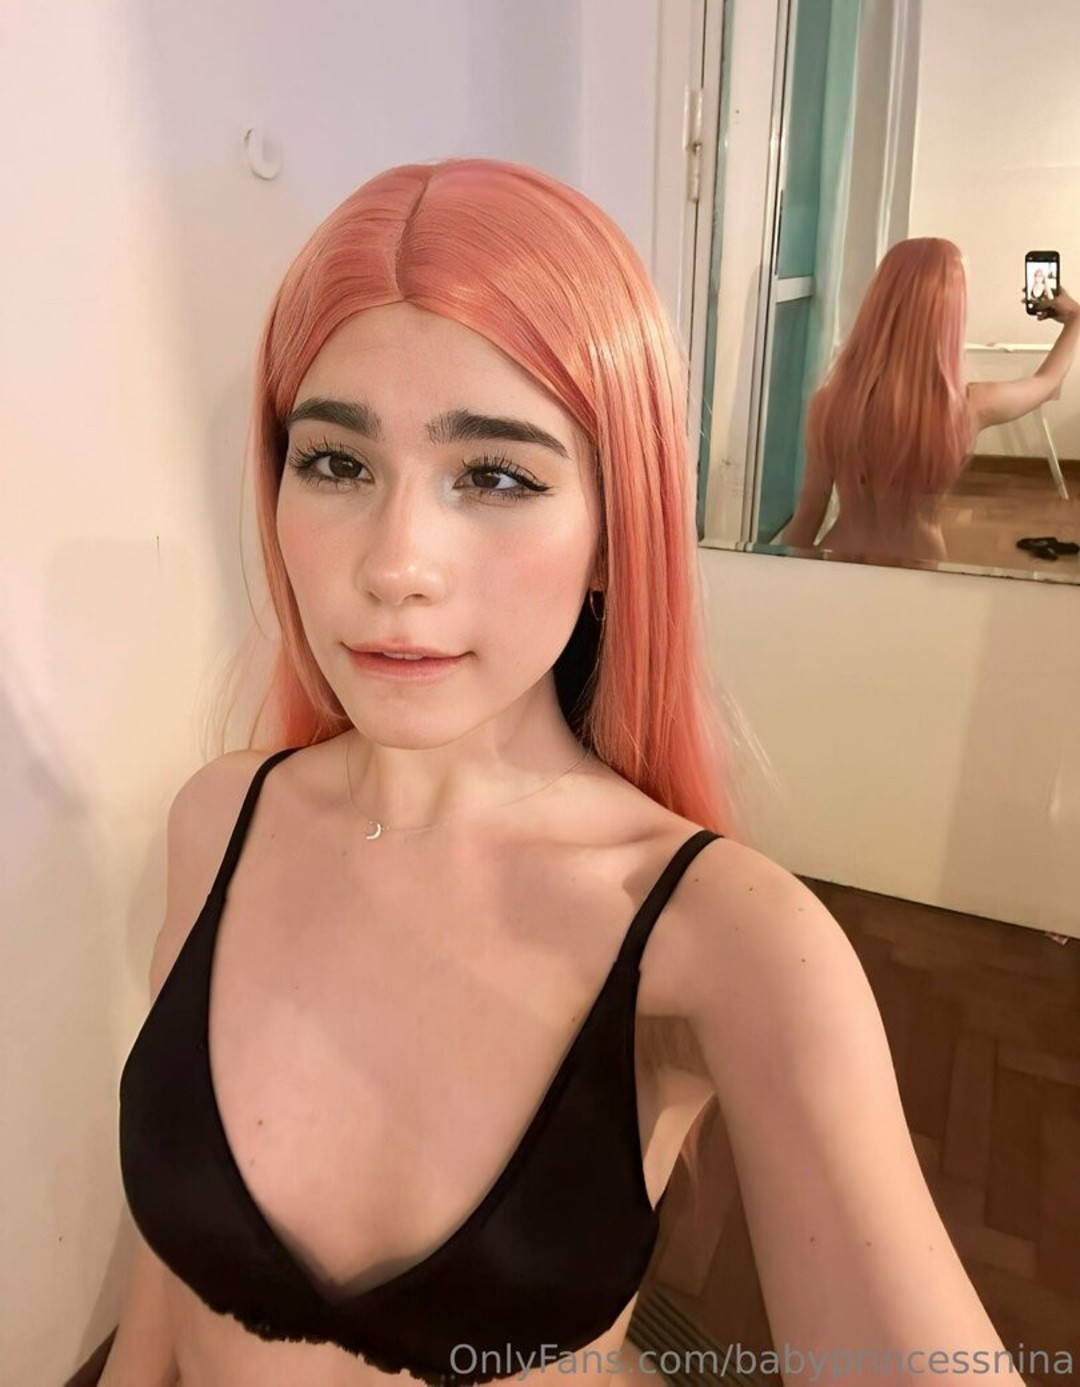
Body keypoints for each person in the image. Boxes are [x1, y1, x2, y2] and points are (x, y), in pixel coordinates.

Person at [102, 161, 1020, 1387]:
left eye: (496, 476)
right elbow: (166, 1267)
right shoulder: (217, 819)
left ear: (611, 533)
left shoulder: (727, 944)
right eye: (335, 463)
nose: (396, 565)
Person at [784, 237, 1080, 562]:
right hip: (916, 566)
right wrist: (1075, 319)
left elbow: (808, 514)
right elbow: (1046, 382)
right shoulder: (968, 407)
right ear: (949, 315)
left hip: (840, 560)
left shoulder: (829, 403)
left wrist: (782, 575)